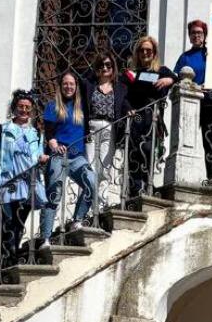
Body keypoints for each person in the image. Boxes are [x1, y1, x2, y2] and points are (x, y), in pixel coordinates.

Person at [0, 90, 44, 267]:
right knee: (5, 222)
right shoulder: (2, 129)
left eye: (28, 108)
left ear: (32, 111)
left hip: (27, 183)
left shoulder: (36, 132)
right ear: (14, 108)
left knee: (18, 223)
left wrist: (42, 158)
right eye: (21, 107)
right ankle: (6, 257)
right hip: (6, 183)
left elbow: (37, 155)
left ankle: (11, 259)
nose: (24, 110)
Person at [41, 71, 99, 241]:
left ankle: (77, 220)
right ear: (60, 86)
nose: (68, 87)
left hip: (77, 157)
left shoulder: (82, 107)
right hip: (59, 156)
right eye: (65, 83)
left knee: (92, 183)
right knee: (54, 195)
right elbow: (49, 131)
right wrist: (53, 144)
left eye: (71, 84)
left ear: (76, 86)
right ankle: (45, 238)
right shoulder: (53, 106)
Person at [125, 35, 174, 206]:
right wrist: (127, 107)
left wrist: (170, 79)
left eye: (149, 50)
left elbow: (182, 78)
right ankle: (134, 192)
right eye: (142, 50)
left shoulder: (162, 71)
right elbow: (123, 96)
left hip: (153, 118)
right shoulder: (131, 73)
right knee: (134, 156)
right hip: (136, 118)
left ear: (154, 53)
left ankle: (148, 187)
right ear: (137, 53)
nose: (145, 53)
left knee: (148, 151)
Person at [83, 54, 130, 218]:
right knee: (90, 167)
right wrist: (95, 67)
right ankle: (87, 208)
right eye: (101, 65)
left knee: (105, 166)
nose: (105, 68)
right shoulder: (90, 85)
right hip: (91, 126)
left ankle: (101, 205)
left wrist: (128, 110)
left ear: (113, 68)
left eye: (108, 65)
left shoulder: (119, 87)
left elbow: (124, 104)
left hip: (110, 128)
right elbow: (83, 78)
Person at [173, 20, 212, 177]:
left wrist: (209, 82)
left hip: (209, 101)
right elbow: (176, 76)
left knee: (210, 141)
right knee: (186, 138)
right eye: (193, 33)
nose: (196, 35)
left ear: (204, 36)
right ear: (189, 36)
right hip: (190, 102)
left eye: (199, 33)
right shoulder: (185, 57)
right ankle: (185, 175)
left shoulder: (211, 54)